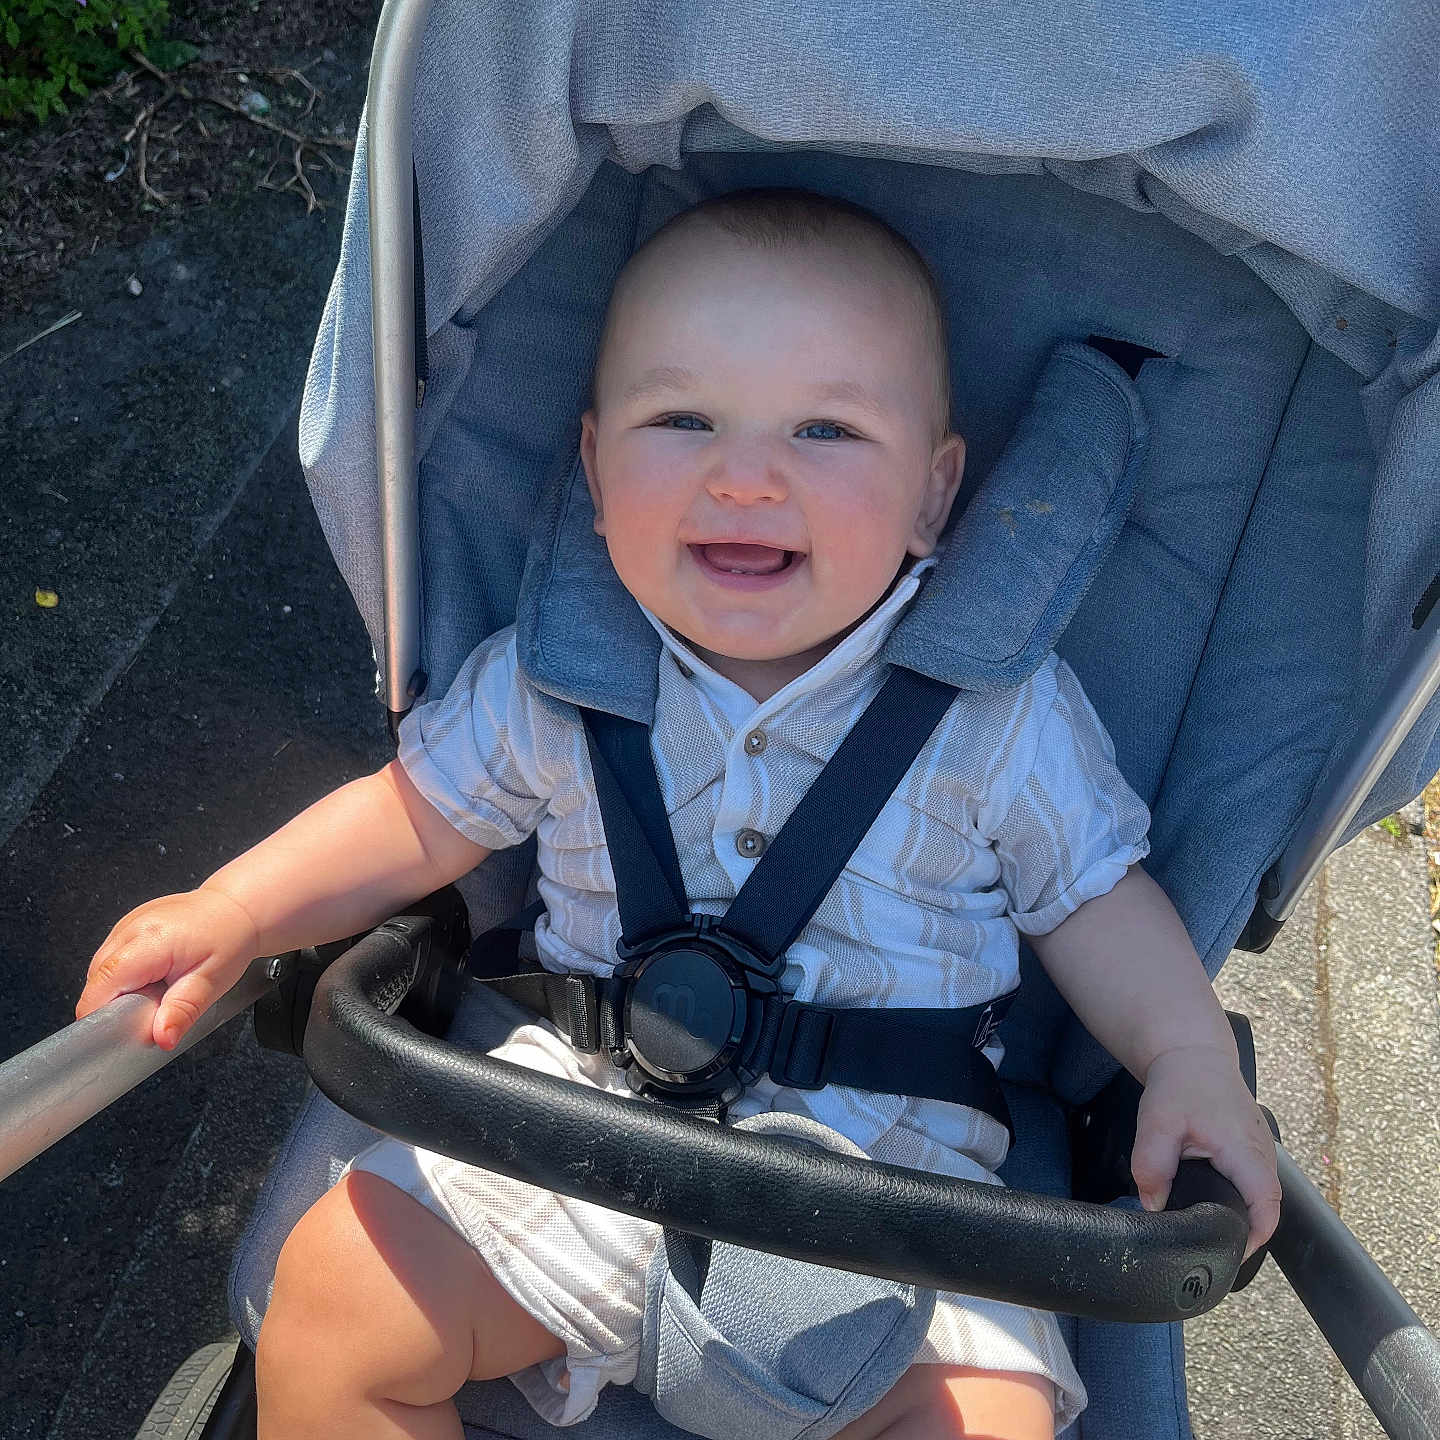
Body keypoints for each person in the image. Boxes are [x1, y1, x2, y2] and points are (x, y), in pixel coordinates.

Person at [76, 188, 1281, 1440]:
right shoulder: (556, 677)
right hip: (580, 1141)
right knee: (336, 1293)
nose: (745, 477)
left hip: (897, 1209)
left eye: (825, 430)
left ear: (934, 498)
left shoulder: (1002, 715)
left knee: (991, 1417)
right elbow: (412, 819)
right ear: (596, 470)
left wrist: (1186, 1059)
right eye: (683, 420)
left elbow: (1095, 903)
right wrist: (235, 907)